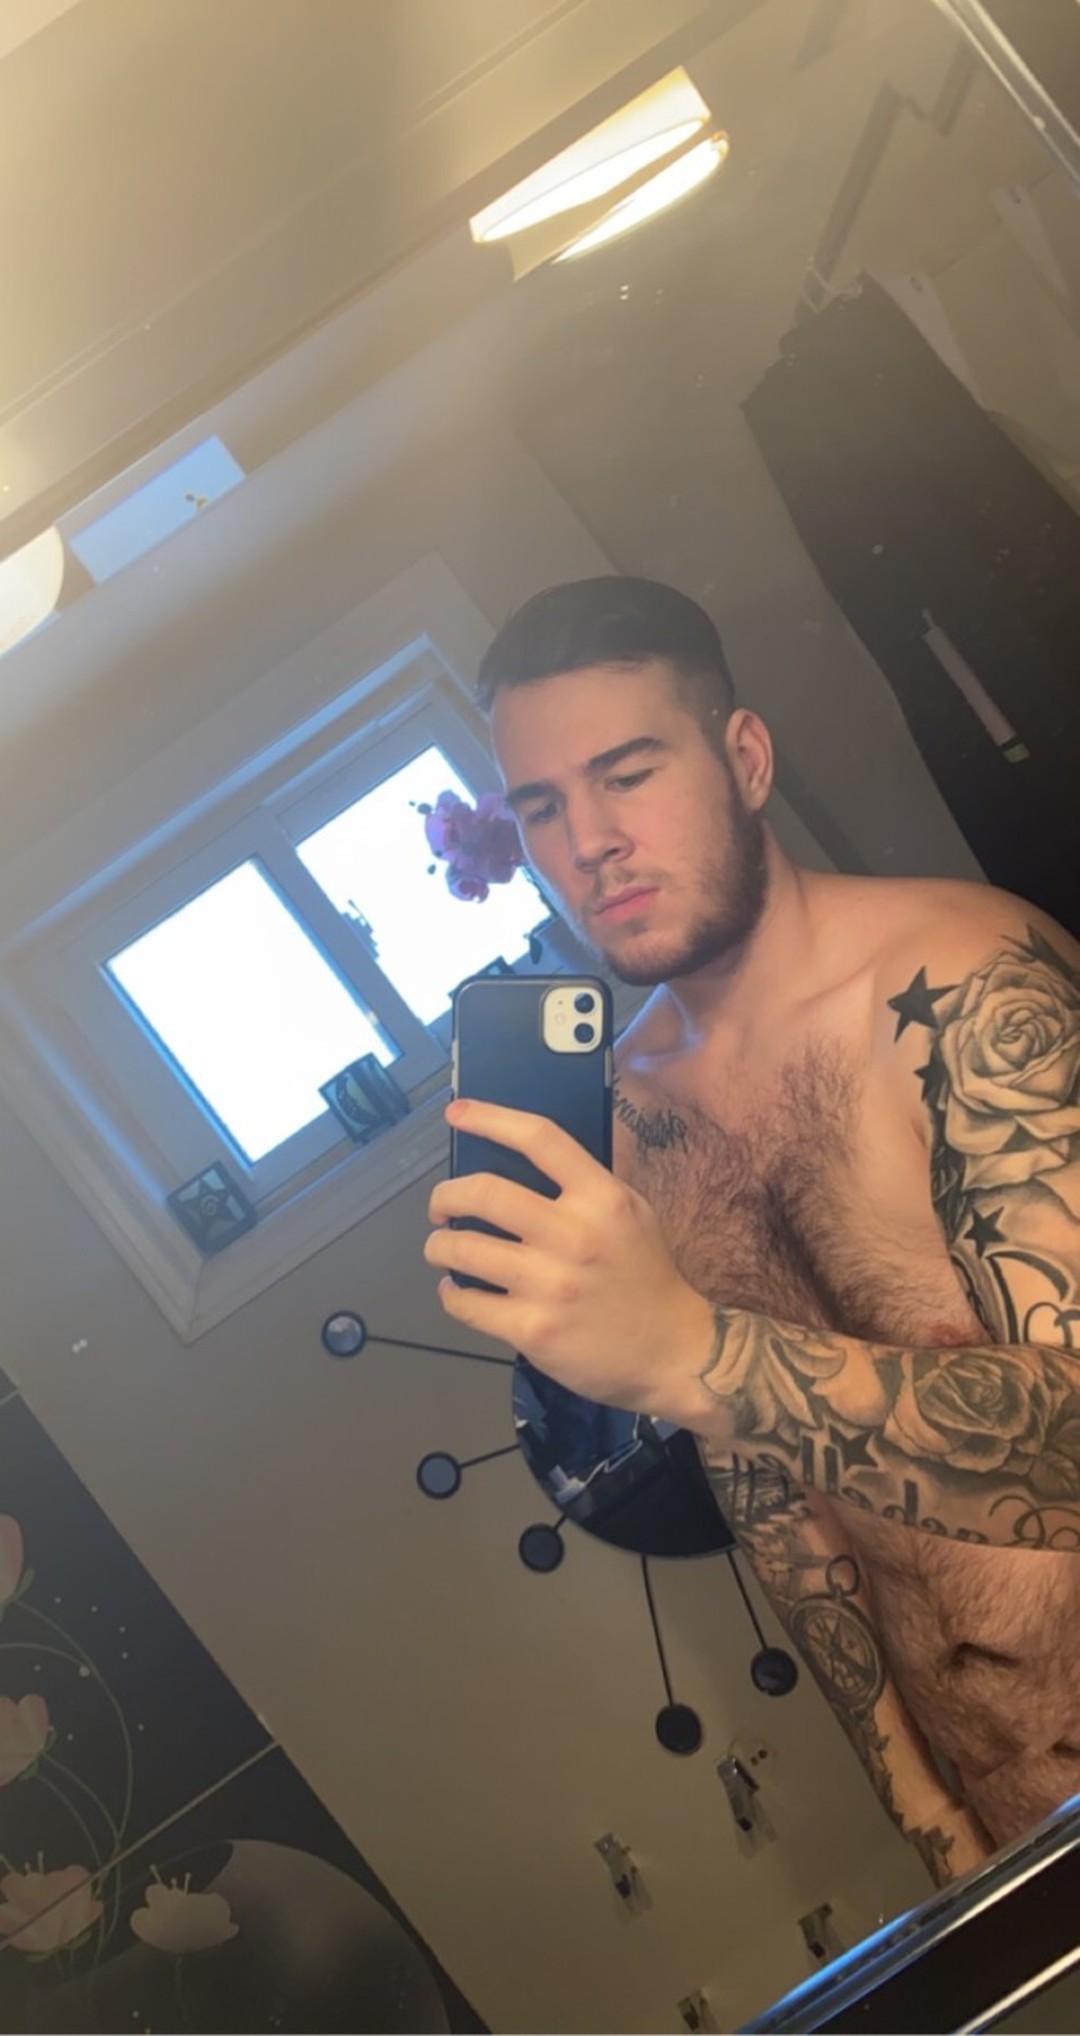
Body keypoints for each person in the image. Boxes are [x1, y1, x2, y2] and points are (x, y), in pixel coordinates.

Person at [424, 576, 1080, 1883]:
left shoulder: (965, 986)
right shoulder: (634, 1126)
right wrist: (931, 1822)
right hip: (1011, 1835)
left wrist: (693, 1353)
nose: (588, 843)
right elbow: (775, 1499)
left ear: (746, 758)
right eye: (542, 807)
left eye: (627, 775)